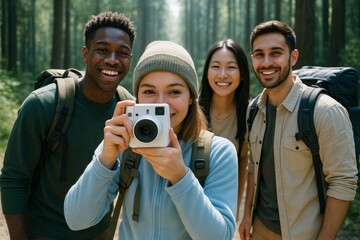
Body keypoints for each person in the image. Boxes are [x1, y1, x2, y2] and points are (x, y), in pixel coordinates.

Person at [64, 40, 238, 240]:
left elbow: (220, 237)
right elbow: (76, 219)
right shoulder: (123, 143)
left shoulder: (218, 152)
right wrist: (105, 159)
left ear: (191, 97)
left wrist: (181, 178)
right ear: (136, 97)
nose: (161, 102)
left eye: (174, 92)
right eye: (149, 91)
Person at [0, 12, 136, 240]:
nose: (112, 59)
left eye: (122, 53)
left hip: (99, 233)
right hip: (44, 233)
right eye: (102, 50)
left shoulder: (129, 110)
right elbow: (14, 179)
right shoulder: (43, 105)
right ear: (85, 54)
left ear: (130, 59)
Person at [239, 20, 358, 240]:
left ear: (293, 57)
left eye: (275, 53)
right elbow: (254, 168)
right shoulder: (253, 109)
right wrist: (246, 216)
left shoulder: (326, 112)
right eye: (259, 54)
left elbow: (344, 182)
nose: (266, 62)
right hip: (260, 229)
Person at [198, 39, 250, 228]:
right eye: (216, 67)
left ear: (242, 74)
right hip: (192, 197)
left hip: (223, 200)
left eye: (231, 67)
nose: (222, 75)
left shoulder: (249, 113)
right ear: (207, 73)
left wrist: (236, 206)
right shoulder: (191, 110)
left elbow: (243, 159)